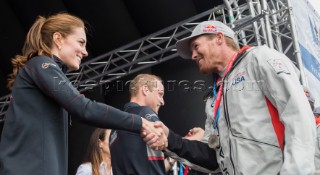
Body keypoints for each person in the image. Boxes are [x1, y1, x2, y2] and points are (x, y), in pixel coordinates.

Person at [0, 12, 166, 175]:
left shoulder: (43, 70)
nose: (85, 51)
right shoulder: (41, 64)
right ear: (58, 39)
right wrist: (140, 122)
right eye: (81, 42)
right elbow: (84, 108)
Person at [145, 20, 317, 174]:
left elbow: (299, 115)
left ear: (219, 38)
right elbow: (213, 159)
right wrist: (170, 140)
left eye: (196, 46)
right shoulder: (214, 97)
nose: (193, 55)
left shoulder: (258, 58)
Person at [109, 74, 168, 175]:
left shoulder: (114, 129)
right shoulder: (144, 113)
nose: (162, 102)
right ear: (145, 89)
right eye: (160, 94)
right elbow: (170, 144)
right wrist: (193, 139)